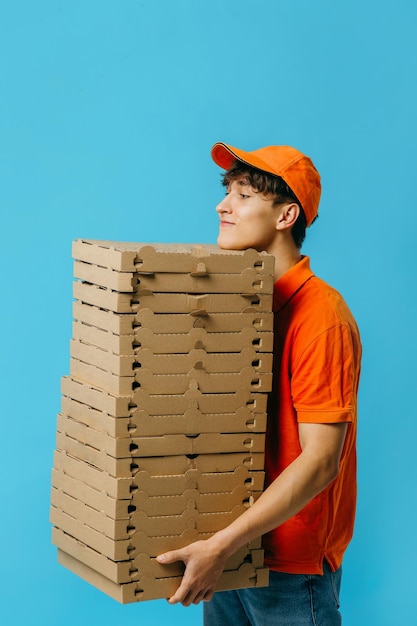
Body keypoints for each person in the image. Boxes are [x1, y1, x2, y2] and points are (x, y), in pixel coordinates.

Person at [157, 142, 362, 625]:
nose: (222, 205)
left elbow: (320, 463)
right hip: (228, 550)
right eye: (227, 191)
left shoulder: (322, 319)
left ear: (286, 215)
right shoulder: (238, 306)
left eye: (243, 195)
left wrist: (222, 545)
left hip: (288, 567)